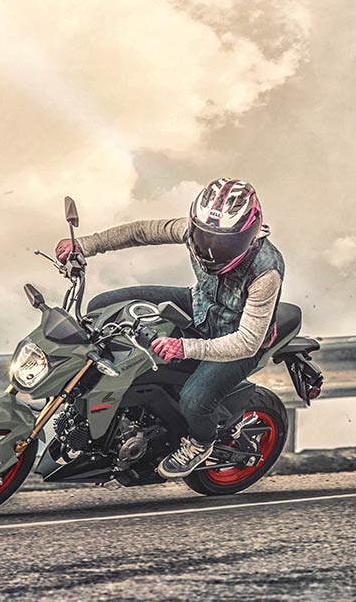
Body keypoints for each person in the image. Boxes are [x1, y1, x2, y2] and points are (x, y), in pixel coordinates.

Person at [55, 178, 285, 479]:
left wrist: (184, 347)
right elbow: (140, 232)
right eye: (205, 237)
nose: (212, 250)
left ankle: (201, 442)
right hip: (200, 304)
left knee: (195, 399)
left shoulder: (266, 271)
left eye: (225, 242)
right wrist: (85, 244)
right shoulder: (192, 232)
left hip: (238, 338)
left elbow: (246, 342)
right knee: (103, 304)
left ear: (251, 232)